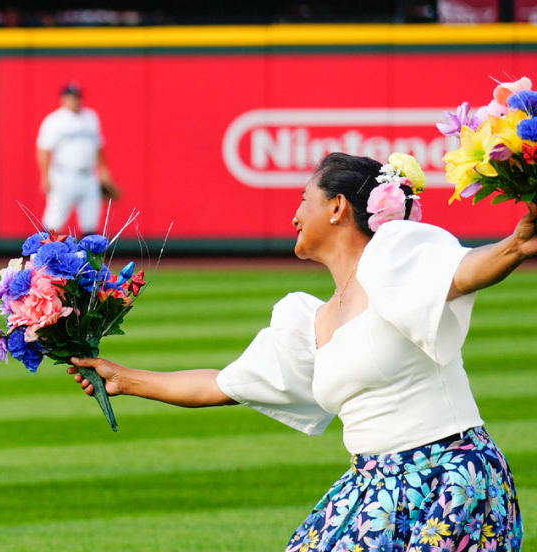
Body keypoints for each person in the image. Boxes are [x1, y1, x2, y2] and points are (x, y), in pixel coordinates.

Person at [66, 152, 528, 551]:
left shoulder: (394, 258)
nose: (294, 215)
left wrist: (514, 246)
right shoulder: (310, 320)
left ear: (337, 207)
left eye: (303, 200)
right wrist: (123, 379)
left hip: (450, 476)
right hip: (373, 484)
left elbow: (463, 272)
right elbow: (222, 384)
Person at [35, 80, 117, 235]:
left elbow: (98, 146)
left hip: (88, 176)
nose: (74, 100)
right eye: (70, 97)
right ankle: (39, 257)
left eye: (76, 96)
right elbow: (43, 149)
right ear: (63, 99)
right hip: (63, 176)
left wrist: (103, 170)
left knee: (90, 225)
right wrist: (45, 176)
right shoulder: (55, 120)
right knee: (53, 222)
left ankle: (90, 260)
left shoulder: (91, 117)